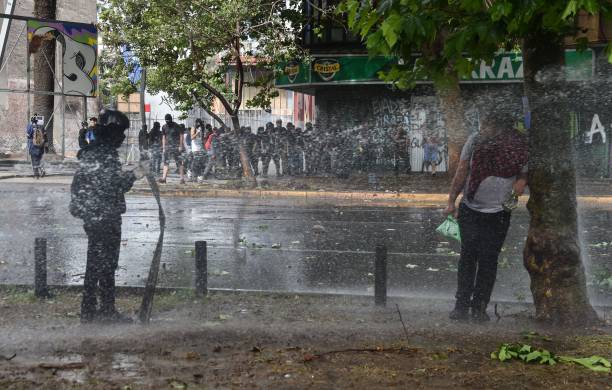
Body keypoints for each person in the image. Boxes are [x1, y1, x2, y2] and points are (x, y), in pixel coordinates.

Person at [443, 109, 528, 322]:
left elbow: (525, 171)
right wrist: (451, 200)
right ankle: (461, 305)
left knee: (489, 260)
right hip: (470, 209)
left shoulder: (519, 143)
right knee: (468, 257)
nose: (482, 128)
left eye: (487, 123)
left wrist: (521, 181)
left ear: (500, 126)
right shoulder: (475, 140)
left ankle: (480, 307)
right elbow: (462, 170)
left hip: (499, 213)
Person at [69, 110, 147, 323]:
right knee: (105, 264)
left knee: (95, 264)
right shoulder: (104, 154)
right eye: (119, 133)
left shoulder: (94, 151)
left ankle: (90, 311)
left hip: (94, 215)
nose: (122, 138)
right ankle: (105, 311)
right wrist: (136, 174)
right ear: (111, 132)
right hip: (105, 216)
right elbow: (114, 185)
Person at [159, 114, 185, 184]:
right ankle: (164, 178)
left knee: (179, 163)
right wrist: (164, 147)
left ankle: (182, 179)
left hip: (176, 147)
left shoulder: (177, 126)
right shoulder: (164, 127)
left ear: (171, 119)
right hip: (168, 147)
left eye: (168, 120)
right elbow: (163, 137)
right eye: (166, 121)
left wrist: (180, 145)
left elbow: (181, 135)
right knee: (166, 163)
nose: (168, 122)